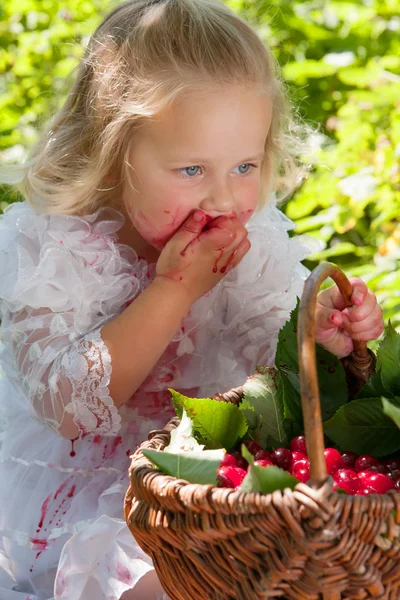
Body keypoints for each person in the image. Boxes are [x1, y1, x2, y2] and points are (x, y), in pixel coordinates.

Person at [0, 0, 384, 598]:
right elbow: (67, 407)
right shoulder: (51, 248)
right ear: (112, 154)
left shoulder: (248, 240)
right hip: (84, 489)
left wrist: (324, 334)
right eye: (190, 170)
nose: (225, 198)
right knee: (163, 582)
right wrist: (173, 291)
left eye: (245, 165)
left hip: (203, 482)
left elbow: (276, 361)